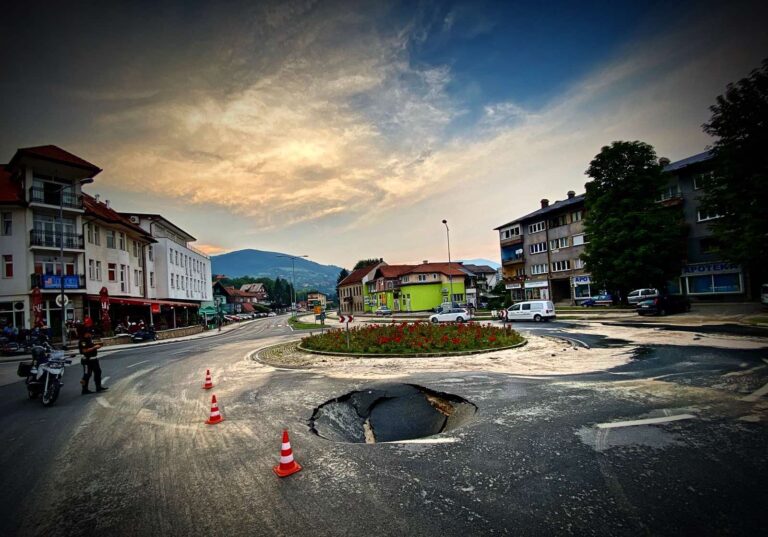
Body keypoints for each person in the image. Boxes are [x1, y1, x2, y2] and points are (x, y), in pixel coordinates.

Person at [79, 328, 106, 394]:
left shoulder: (89, 339)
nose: (91, 335)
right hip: (87, 360)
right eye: (90, 333)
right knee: (87, 375)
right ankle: (84, 389)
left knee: (98, 372)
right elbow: (84, 350)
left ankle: (98, 387)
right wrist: (94, 347)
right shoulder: (82, 341)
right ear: (86, 333)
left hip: (94, 359)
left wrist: (97, 346)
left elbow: (91, 346)